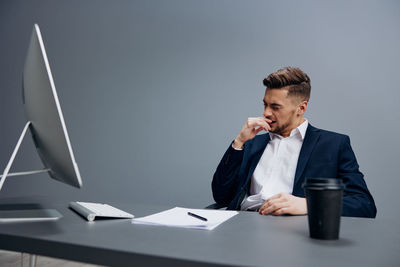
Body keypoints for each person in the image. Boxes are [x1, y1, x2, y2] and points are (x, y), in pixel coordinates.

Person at [212, 67, 376, 218]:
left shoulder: (333, 145)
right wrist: (239, 142)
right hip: (243, 225)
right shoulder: (252, 143)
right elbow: (221, 196)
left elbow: (364, 204)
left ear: (301, 108)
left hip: (293, 230)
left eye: (275, 107)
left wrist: (309, 204)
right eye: (265, 105)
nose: (266, 113)